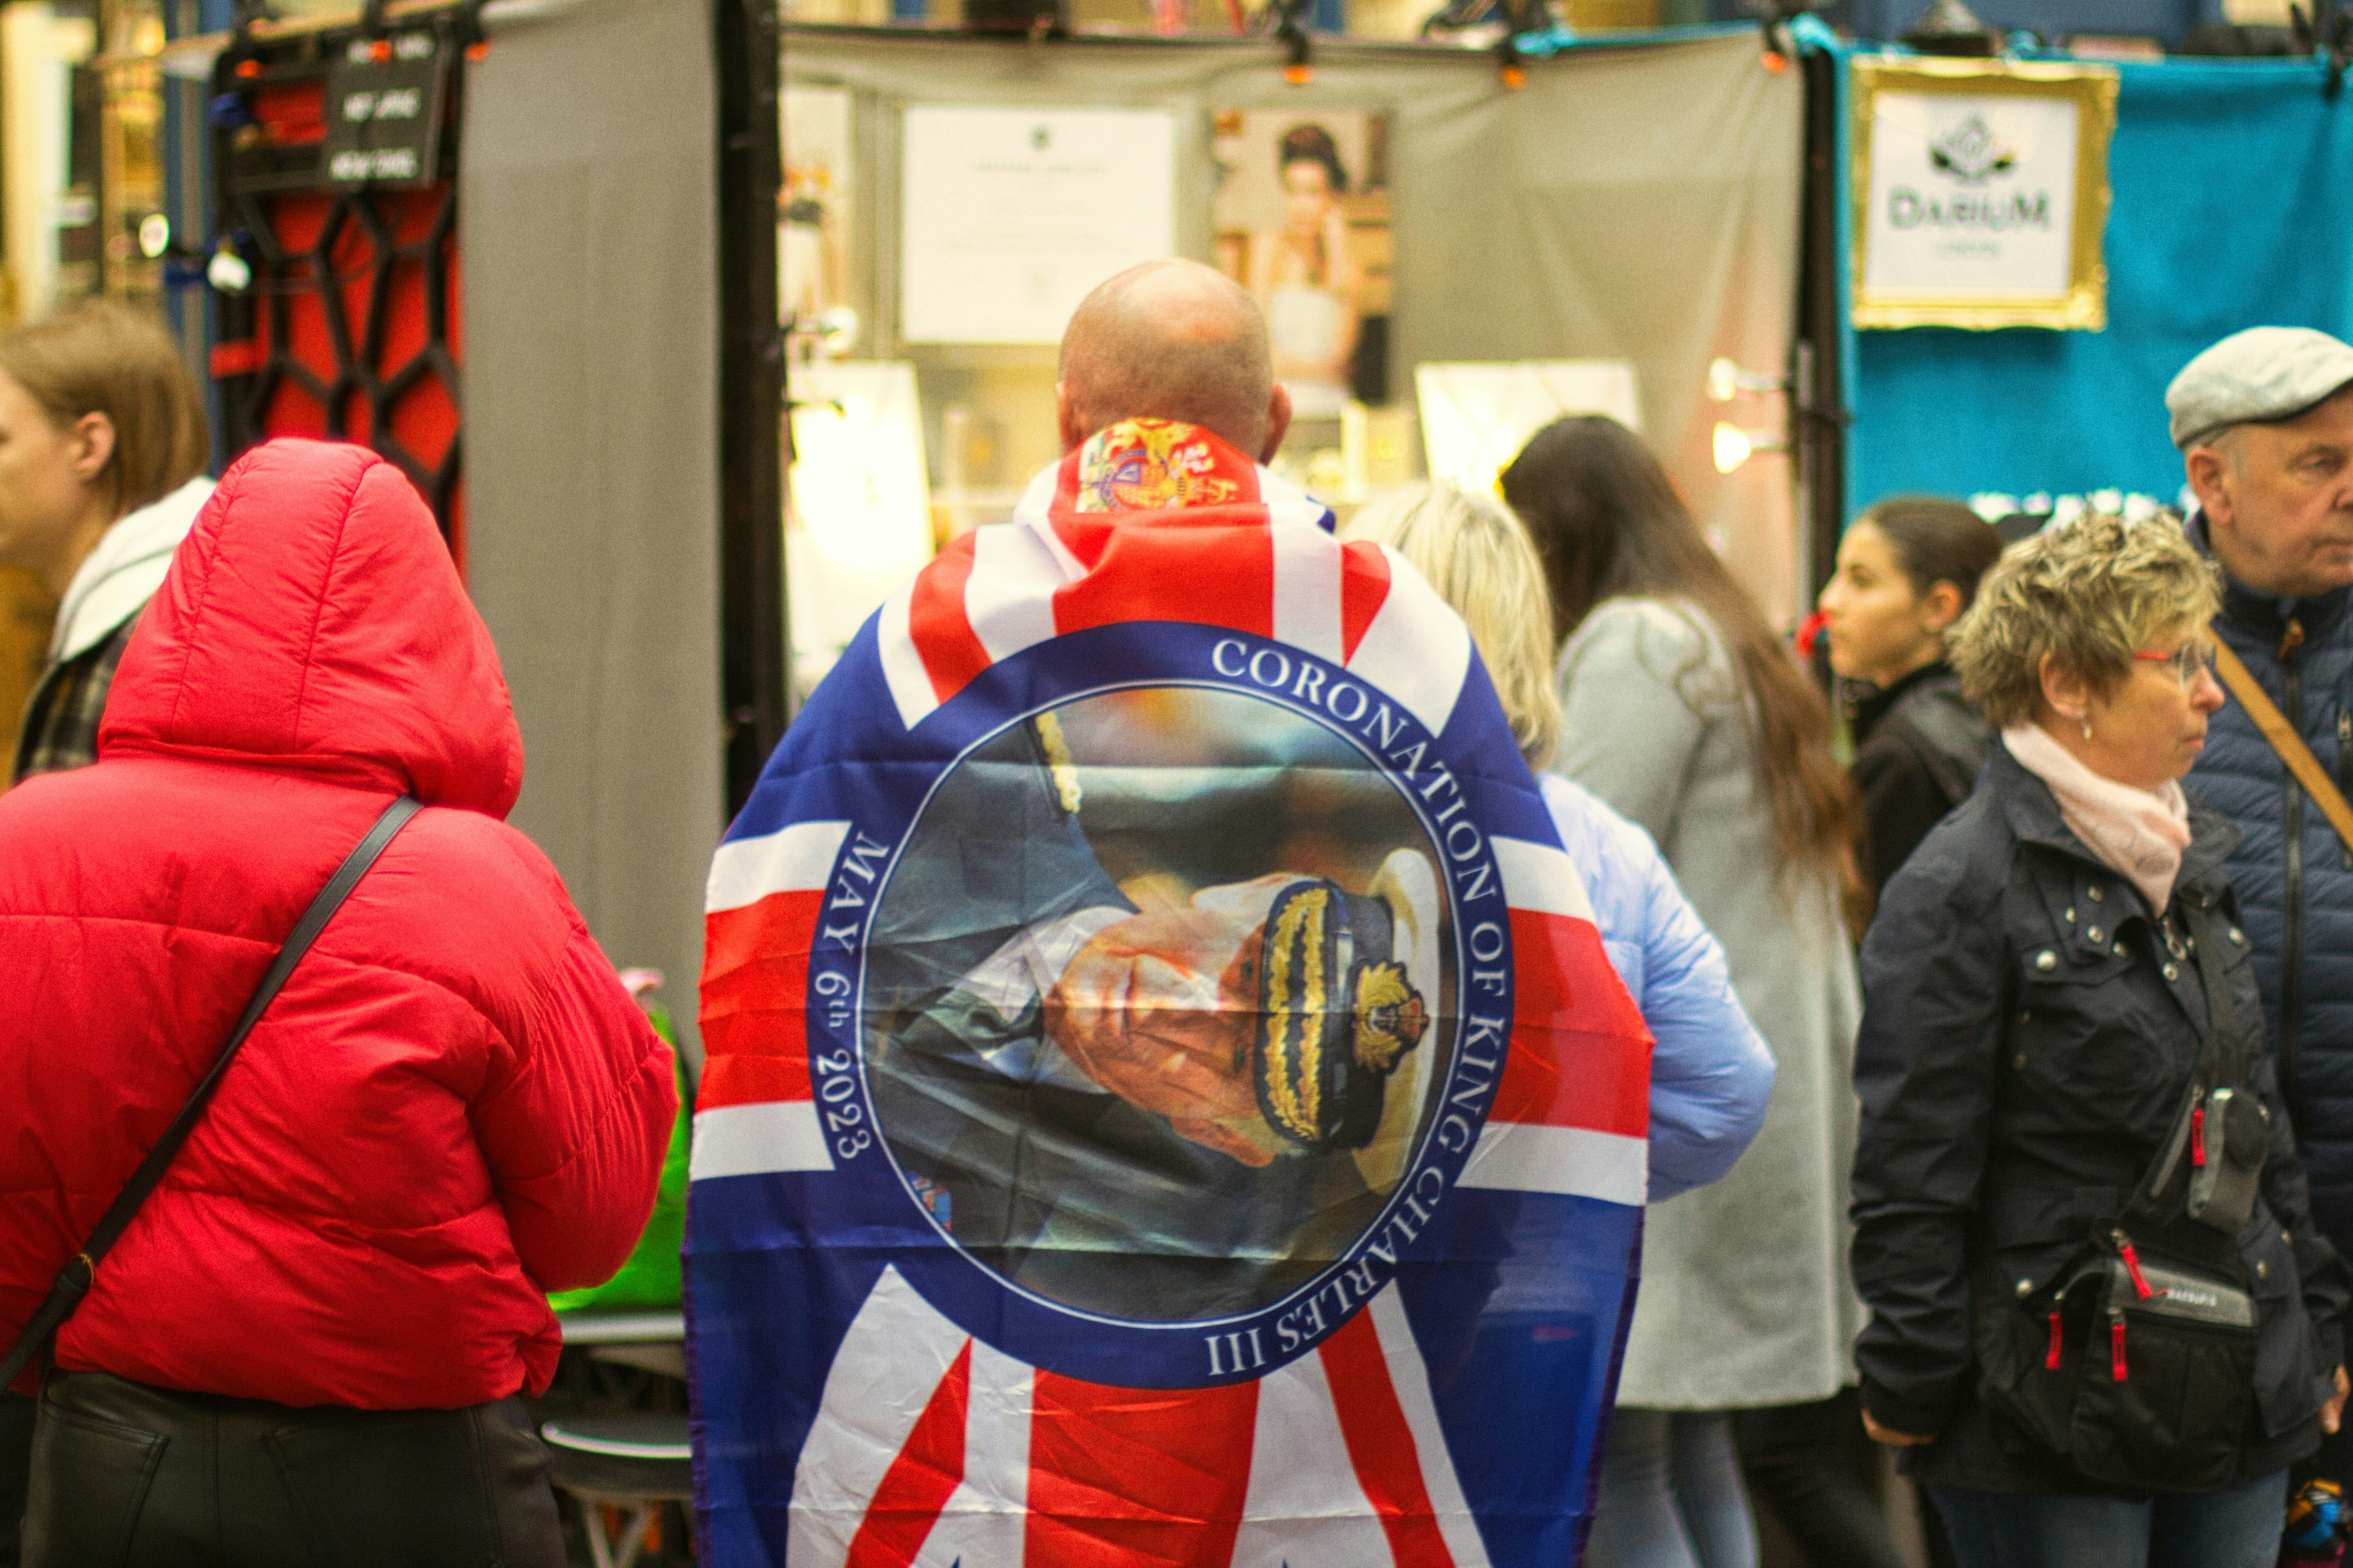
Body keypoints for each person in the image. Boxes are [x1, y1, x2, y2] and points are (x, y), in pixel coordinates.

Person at [0, 438, 678, 1564]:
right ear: (422, 624)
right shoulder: (478, 885)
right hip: (413, 1476)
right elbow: (594, 1224)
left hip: (108, 1452)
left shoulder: (28, 843)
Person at [1852, 510, 2352, 1567]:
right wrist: (1912, 1381)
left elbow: (2252, 1117)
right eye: (2180, 664)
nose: (2212, 693)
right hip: (2043, 1405)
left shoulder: (2188, 855)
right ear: (2066, 684)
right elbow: (1913, 1168)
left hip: (2234, 1379)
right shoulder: (1957, 886)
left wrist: (2313, 1315)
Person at [1503, 415, 1870, 1568]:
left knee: (1621, 1451)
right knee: (1690, 1443)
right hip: (1745, 1077)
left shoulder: (1637, 645)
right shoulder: (1724, 629)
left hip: (1668, 1097)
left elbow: (1577, 865)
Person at [1337, 480, 1775, 1204]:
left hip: (1328, 1293)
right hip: (1520, 1278)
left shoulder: (1284, 807)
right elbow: (1725, 1089)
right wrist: (1571, 1173)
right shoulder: (1602, 847)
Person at [2169, 328, 2353, 1514]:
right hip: (2204, 1235)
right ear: (2212, 481)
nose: (2350, 491)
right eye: (2316, 463)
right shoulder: (2121, 653)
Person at [0, 301, 211, 783]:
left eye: (0, 439)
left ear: (89, 447)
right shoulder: (178, 596)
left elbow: (67, 856)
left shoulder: (141, 639)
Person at [1818, 496, 2005, 897]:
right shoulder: (2008, 710)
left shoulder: (1900, 759)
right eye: (1838, 576)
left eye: (1861, 581)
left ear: (1939, 607)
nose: (1830, 602)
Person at [1246, 123, 1362, 419]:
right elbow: (1261, 356)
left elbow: (1343, 355)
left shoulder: (1345, 258)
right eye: (1292, 191)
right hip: (1276, 408)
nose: (1301, 205)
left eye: (1312, 192)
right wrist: (1318, 370)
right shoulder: (1268, 248)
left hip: (1333, 408)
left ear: (1330, 196)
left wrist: (1336, 241)